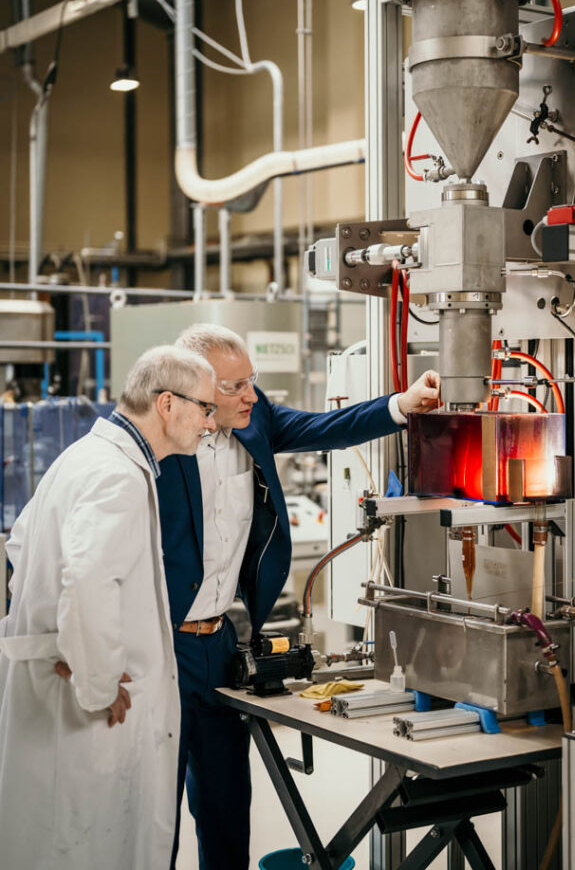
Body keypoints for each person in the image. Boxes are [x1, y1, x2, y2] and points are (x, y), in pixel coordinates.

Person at [157, 323, 441, 869]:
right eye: (234, 386)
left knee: (225, 805)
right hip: (159, 644)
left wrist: (400, 406)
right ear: (192, 386)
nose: (251, 395)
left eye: (253, 380)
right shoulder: (157, 441)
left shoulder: (254, 417)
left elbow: (321, 427)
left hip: (218, 642)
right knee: (155, 811)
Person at [0, 345, 218, 870]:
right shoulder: (116, 475)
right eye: (206, 409)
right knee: (86, 845)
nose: (211, 424)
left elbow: (22, 545)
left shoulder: (86, 457)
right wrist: (96, 683)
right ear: (167, 404)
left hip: (55, 696)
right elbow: (88, 578)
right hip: (90, 712)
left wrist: (62, 639)